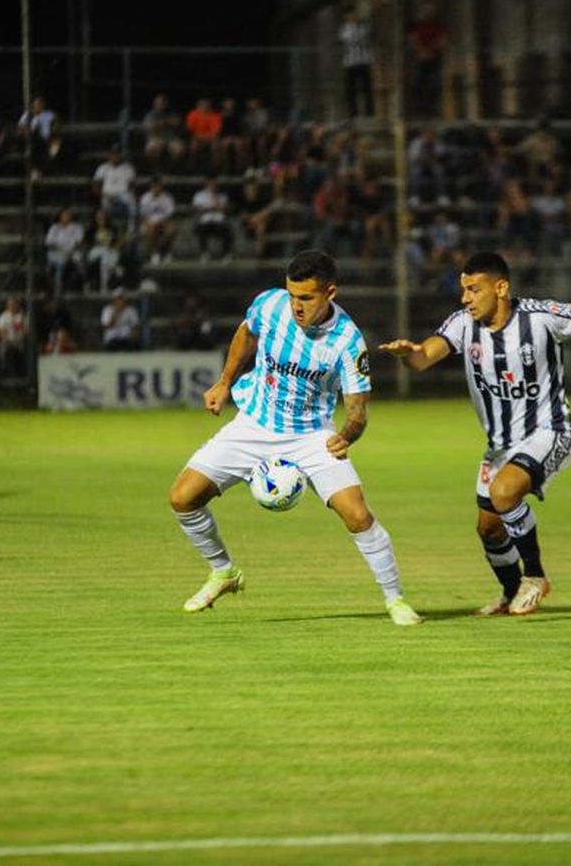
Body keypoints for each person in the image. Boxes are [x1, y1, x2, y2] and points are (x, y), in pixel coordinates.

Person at [380, 251, 571, 615]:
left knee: (504, 492)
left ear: (500, 288)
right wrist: (410, 352)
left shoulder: (540, 316)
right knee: (488, 528)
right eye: (463, 290)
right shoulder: (462, 324)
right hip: (500, 445)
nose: (465, 298)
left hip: (550, 431)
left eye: (473, 289)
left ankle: (535, 576)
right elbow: (424, 358)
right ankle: (510, 592)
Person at [168, 249, 422, 626]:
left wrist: (346, 436)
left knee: (357, 514)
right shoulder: (270, 305)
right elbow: (246, 333)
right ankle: (223, 572)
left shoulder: (348, 342)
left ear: (330, 293)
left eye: (306, 298)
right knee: (182, 498)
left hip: (311, 436)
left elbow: (357, 412)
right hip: (253, 425)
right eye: (292, 295)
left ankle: (395, 599)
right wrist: (225, 382)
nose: (296, 306)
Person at [339, 5, 375, 118]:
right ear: (346, 16)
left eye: (354, 13)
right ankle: (353, 113)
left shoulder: (363, 25)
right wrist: (359, 36)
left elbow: (367, 35)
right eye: (350, 14)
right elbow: (349, 39)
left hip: (364, 61)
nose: (354, 16)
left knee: (367, 88)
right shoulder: (344, 28)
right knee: (351, 90)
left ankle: (369, 113)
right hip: (351, 62)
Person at [44, 208, 85, 297]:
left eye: (68, 215)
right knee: (55, 262)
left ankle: (79, 284)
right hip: (58, 252)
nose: (66, 217)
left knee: (76, 260)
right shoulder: (55, 227)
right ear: (60, 216)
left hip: (72, 252)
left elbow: (79, 241)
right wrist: (58, 248)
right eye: (64, 215)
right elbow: (49, 242)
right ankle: (56, 287)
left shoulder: (77, 227)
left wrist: (69, 250)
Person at [0, 296, 28, 376]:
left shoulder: (22, 316)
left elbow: (26, 330)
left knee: (24, 346)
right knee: (5, 345)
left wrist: (20, 338)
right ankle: (5, 371)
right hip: (8, 341)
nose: (12, 306)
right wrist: (8, 341)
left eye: (14, 304)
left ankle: (22, 373)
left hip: (20, 341)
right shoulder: (3, 317)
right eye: (10, 304)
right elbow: (2, 332)